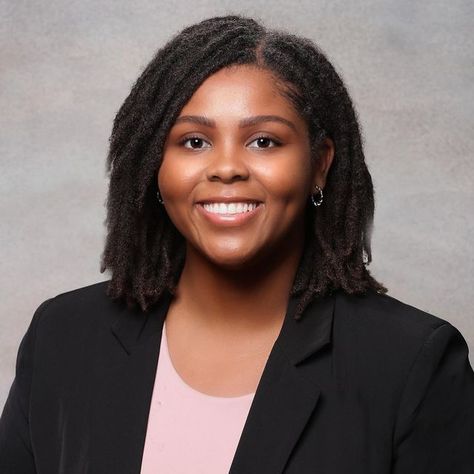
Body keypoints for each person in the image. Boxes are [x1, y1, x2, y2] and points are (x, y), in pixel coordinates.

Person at [1, 13, 473, 474]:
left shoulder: (411, 364)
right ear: (153, 166)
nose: (227, 167)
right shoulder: (62, 338)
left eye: (264, 141)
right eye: (194, 142)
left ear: (321, 165)